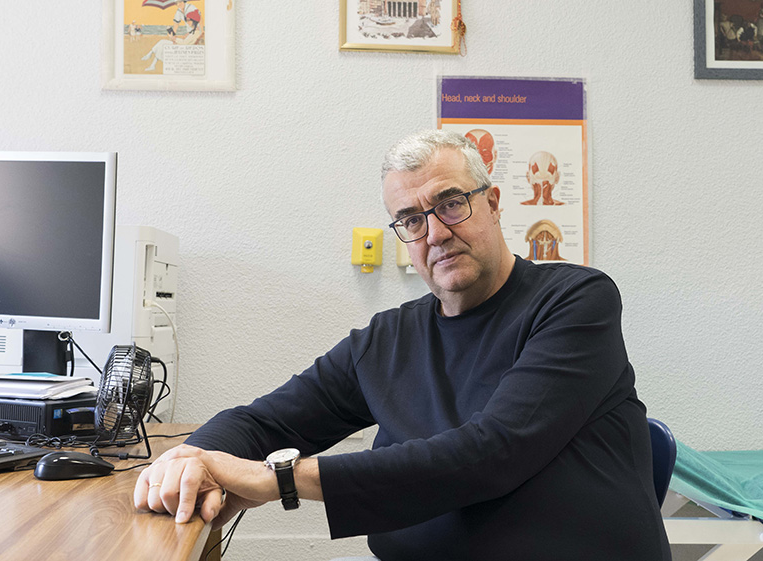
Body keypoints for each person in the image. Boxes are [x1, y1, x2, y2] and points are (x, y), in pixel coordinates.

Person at [134, 130, 671, 561]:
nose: (435, 233)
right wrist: (190, 460)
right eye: (412, 220)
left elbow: (492, 454)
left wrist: (278, 479)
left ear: (493, 204)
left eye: (451, 204)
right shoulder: (387, 340)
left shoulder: (576, 300)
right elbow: (264, 421)